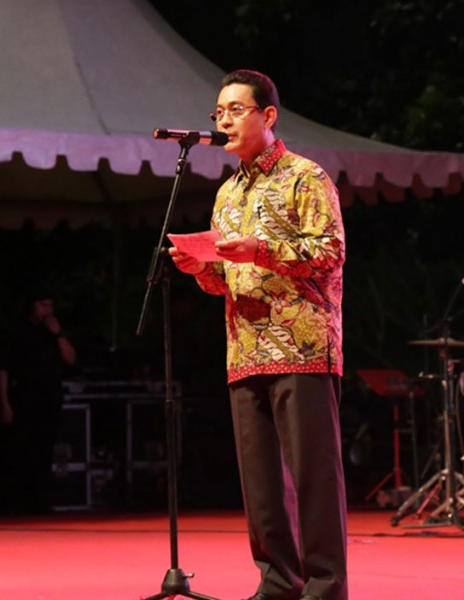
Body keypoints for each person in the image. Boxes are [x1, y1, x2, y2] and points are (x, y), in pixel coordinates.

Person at [169, 69, 348, 600]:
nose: (224, 120)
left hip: (302, 347)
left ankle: (325, 587)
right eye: (218, 112)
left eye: (235, 110)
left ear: (268, 116)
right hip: (245, 348)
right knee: (261, 483)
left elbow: (330, 253)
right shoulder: (226, 194)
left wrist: (260, 250)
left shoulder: (305, 177)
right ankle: (277, 582)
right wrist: (201, 268)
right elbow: (227, 280)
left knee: (314, 478)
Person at [0, 290, 76, 515]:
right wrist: (4, 402)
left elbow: (70, 358)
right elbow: (3, 368)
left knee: (45, 450)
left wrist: (58, 334)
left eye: (50, 306)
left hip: (49, 398)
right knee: (21, 450)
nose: (47, 311)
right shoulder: (17, 332)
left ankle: (42, 502)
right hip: (23, 397)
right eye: (42, 305)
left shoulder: (54, 332)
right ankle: (17, 503)